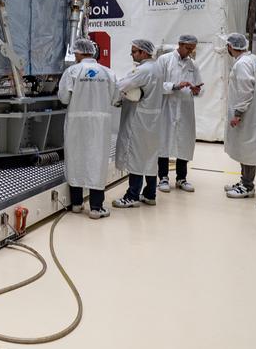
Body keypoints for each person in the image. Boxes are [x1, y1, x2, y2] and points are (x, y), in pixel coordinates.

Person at [58, 37, 119, 218]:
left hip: (77, 123)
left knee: (76, 158)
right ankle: (96, 207)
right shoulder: (108, 73)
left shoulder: (72, 72)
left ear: (78, 52)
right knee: (97, 161)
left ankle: (76, 204)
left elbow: (63, 98)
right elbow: (116, 99)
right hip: (100, 124)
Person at [111, 38, 165, 209]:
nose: (132, 54)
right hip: (152, 120)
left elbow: (122, 86)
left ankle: (132, 195)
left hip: (138, 120)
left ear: (144, 52)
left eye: (134, 51)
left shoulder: (143, 70)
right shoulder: (157, 68)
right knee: (149, 157)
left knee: (135, 158)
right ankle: (150, 194)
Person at [153, 33, 201, 192]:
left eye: (192, 49)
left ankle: (182, 178)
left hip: (185, 108)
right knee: (164, 141)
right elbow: (157, 84)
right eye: (188, 48)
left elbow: (200, 86)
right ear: (179, 44)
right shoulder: (164, 60)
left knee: (184, 142)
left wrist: (196, 89)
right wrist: (175, 86)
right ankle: (163, 177)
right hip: (168, 106)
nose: (190, 52)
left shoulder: (193, 65)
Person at [223, 33, 256, 199]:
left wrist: (238, 113)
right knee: (245, 148)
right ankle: (244, 181)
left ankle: (248, 186)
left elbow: (245, 89)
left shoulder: (242, 64)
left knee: (248, 149)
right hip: (251, 112)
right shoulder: (252, 59)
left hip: (246, 114)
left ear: (230, 47)